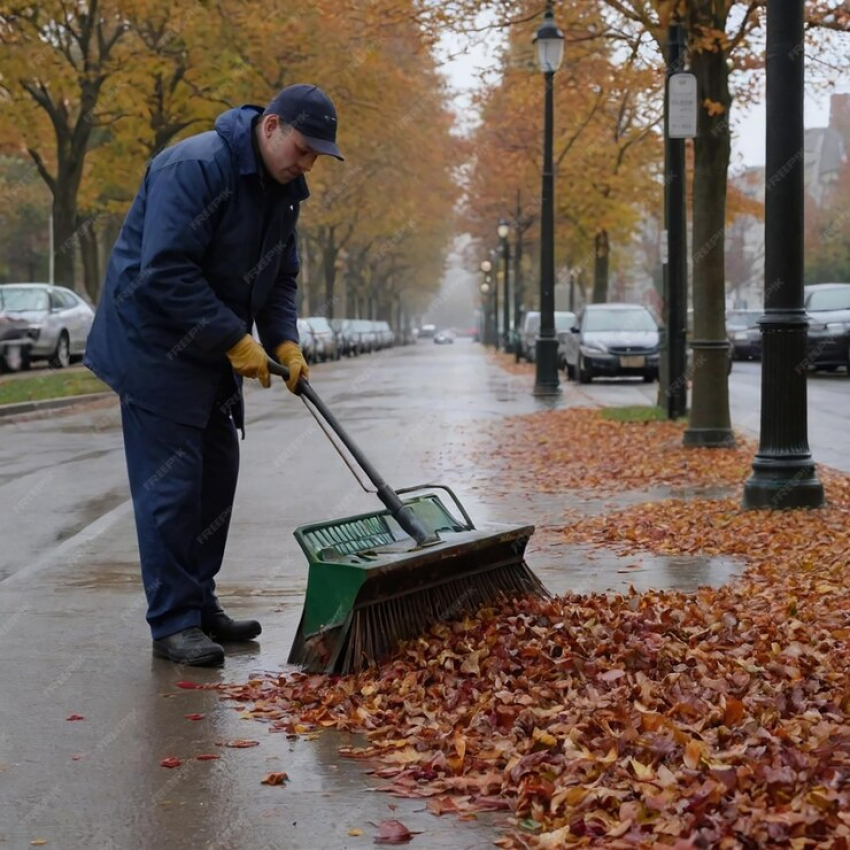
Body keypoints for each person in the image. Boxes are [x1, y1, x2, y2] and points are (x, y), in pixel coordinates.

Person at [85, 84, 344, 667]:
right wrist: (235, 339)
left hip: (210, 349)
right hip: (152, 349)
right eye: (303, 149)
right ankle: (173, 622)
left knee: (216, 482)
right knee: (172, 492)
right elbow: (165, 271)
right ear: (272, 126)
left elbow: (281, 278)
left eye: (316, 158)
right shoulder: (196, 165)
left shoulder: (284, 191)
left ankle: (199, 603)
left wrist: (283, 341)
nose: (307, 165)